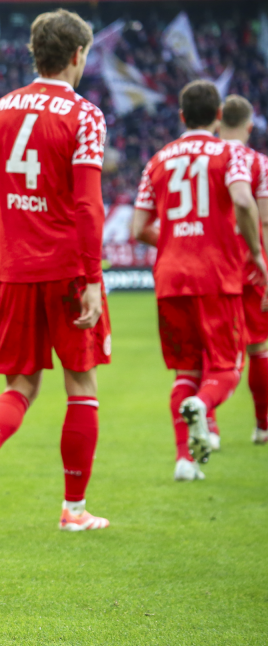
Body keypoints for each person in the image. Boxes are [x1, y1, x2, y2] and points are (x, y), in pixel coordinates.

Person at [0, 9, 111, 533]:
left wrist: (7, 249)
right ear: (77, 55)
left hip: (16, 269)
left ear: (35, 53)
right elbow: (89, 205)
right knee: (81, 384)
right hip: (68, 268)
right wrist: (92, 277)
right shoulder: (84, 115)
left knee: (21, 386)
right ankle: (74, 509)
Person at [131, 82, 267, 481]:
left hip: (171, 277)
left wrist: (177, 241)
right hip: (216, 274)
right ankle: (204, 406)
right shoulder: (230, 154)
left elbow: (139, 228)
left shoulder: (158, 159)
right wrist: (256, 253)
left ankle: (184, 461)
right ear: (218, 117)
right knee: (226, 369)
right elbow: (242, 200)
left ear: (181, 116)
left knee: (185, 373)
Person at [217, 95, 268, 445]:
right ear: (249, 126)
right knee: (258, 347)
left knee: (210, 349)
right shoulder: (259, 163)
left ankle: (209, 427)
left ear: (219, 121)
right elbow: (263, 221)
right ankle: (263, 425)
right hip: (251, 265)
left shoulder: (208, 157)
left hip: (215, 264)